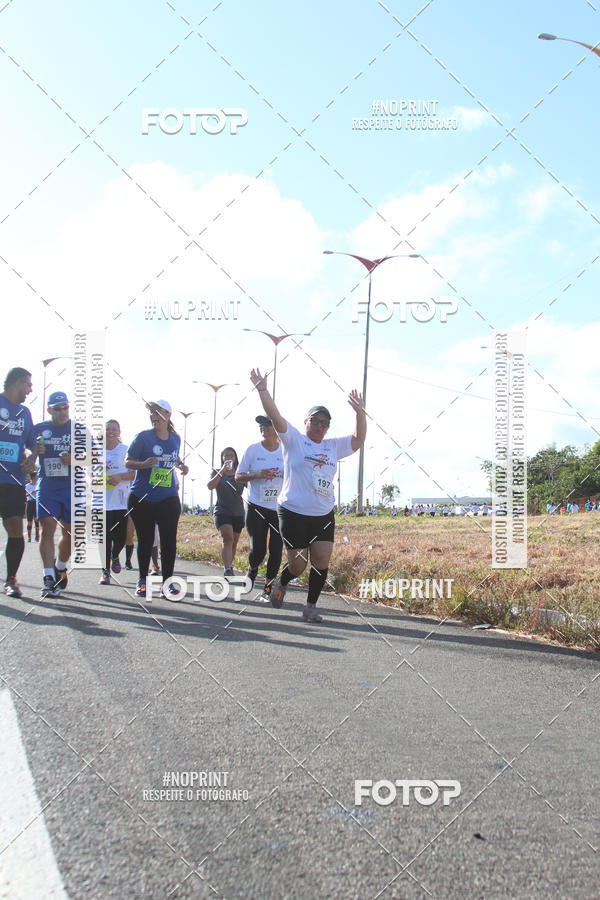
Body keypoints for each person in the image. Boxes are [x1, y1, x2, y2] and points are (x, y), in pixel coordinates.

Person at [250, 367, 366, 623]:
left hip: (323, 513)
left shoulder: (332, 446)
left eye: (324, 423)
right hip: (293, 512)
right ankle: (282, 580)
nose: (319, 426)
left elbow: (358, 440)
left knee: (321, 561)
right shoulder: (294, 439)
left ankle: (311, 606)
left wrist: (360, 412)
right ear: (306, 423)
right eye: (315, 421)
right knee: (298, 565)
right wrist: (262, 390)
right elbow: (275, 416)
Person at [126, 400, 188, 599]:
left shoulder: (175, 439)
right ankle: (142, 581)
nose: (153, 415)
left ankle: (167, 584)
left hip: (168, 497)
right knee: (145, 540)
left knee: (169, 540)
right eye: (151, 412)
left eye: (158, 412)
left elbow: (173, 456)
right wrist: (143, 464)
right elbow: (127, 461)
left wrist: (181, 465)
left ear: (168, 415)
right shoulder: (143, 438)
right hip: (142, 497)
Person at [236, 415, 284, 602]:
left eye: (267, 424)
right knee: (259, 549)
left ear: (276, 428)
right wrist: (256, 474)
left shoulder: (285, 451)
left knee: (276, 548)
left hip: (279, 508)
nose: (263, 427)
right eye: (261, 425)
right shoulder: (253, 450)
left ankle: (268, 588)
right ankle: (252, 569)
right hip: (256, 505)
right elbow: (238, 476)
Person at [32, 391, 73, 598]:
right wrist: (33, 451)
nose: (62, 411)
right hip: (47, 486)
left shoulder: (79, 430)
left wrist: (74, 459)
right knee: (47, 528)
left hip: (71, 488)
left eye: (65, 407)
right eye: (57, 408)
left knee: (72, 534)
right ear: (49, 410)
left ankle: (59, 565)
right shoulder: (39, 429)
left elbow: (93, 457)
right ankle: (48, 576)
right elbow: (26, 451)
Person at [0, 367, 36, 598]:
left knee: (15, 528)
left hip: (12, 481)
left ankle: (11, 579)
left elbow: (34, 444)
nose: (30, 390)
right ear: (17, 383)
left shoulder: (24, 413)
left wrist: (32, 460)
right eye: (28, 385)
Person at [100, 420, 134, 585]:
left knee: (121, 537)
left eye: (114, 429)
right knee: (105, 537)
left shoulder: (125, 450)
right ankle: (105, 572)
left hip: (121, 501)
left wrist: (120, 477)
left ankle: (115, 555)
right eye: (108, 429)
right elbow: (87, 475)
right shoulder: (96, 452)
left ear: (119, 432)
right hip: (101, 501)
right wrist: (94, 479)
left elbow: (134, 474)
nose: (111, 432)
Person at [207, 447, 245, 576]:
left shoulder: (240, 473)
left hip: (238, 512)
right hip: (222, 511)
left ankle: (230, 565)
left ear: (235, 458)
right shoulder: (217, 472)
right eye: (226, 455)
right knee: (227, 538)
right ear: (222, 458)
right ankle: (227, 568)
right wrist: (222, 471)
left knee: (233, 542)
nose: (228, 457)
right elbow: (210, 486)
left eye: (231, 455)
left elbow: (250, 486)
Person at [25, 471, 40, 542]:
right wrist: (30, 493)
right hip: (30, 503)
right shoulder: (27, 486)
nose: (37, 477)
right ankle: (29, 537)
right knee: (29, 521)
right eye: (36, 476)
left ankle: (37, 536)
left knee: (36, 520)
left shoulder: (38, 485)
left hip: (36, 503)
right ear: (33, 477)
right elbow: (24, 496)